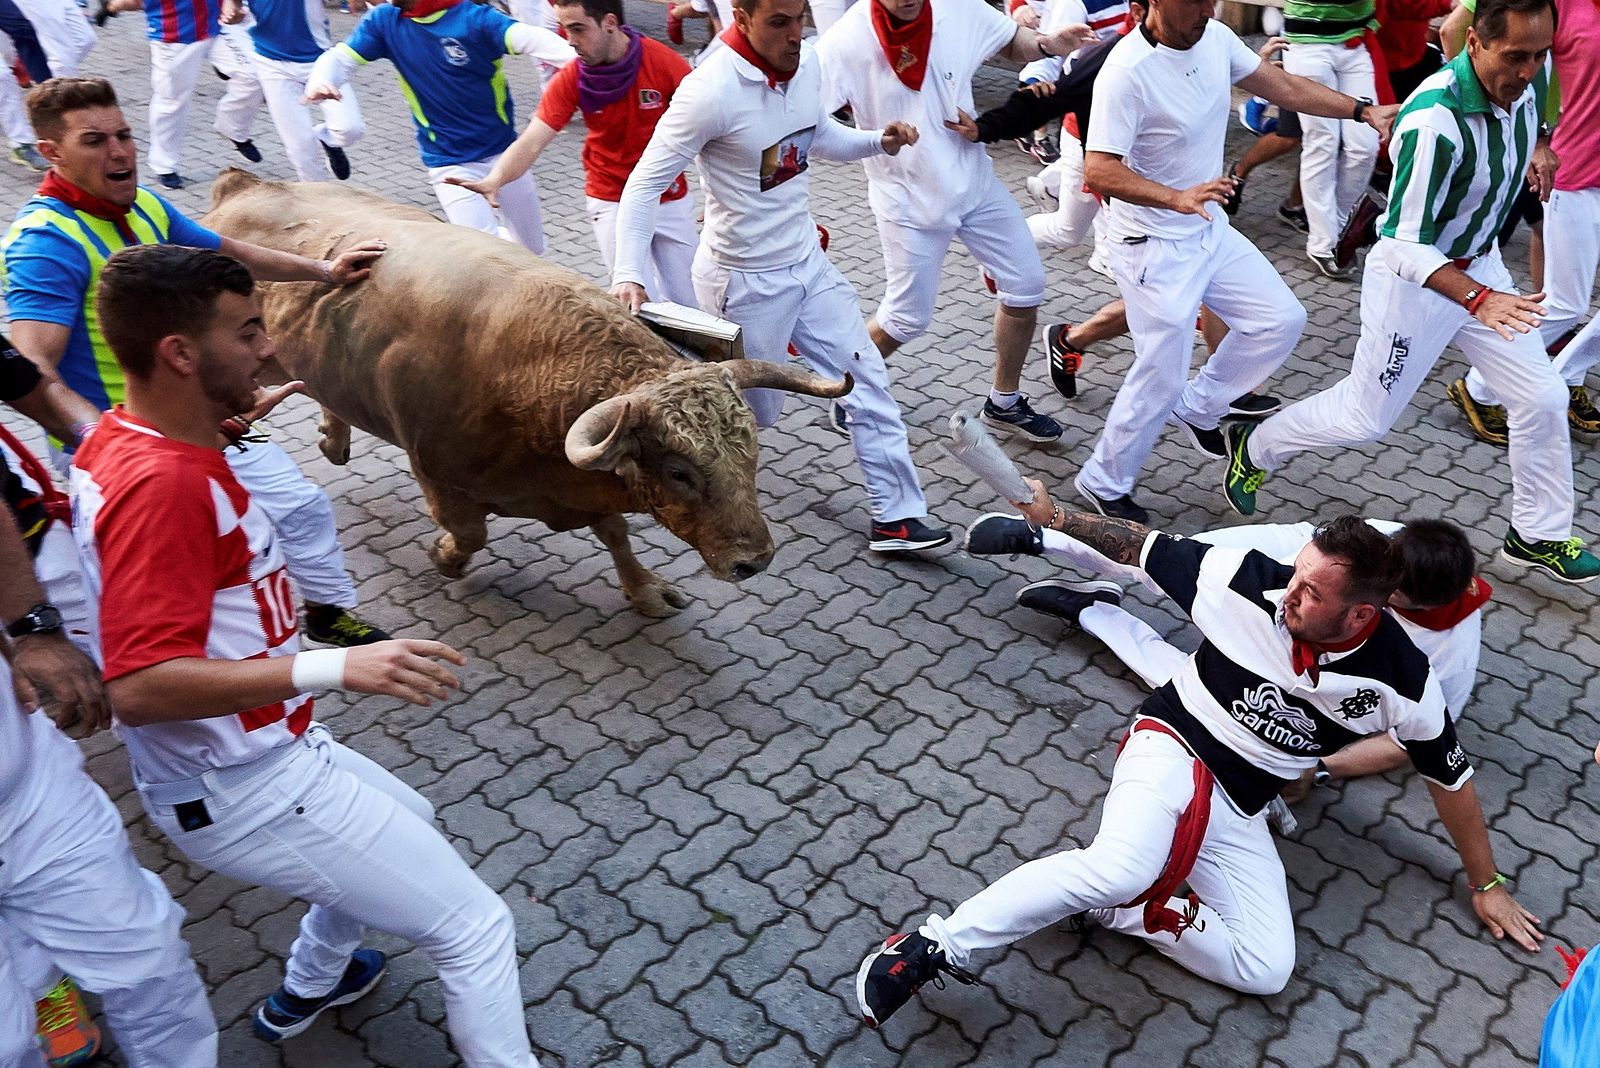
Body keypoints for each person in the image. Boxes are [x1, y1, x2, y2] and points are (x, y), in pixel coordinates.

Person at [72, 243, 546, 1066]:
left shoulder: (123, 437)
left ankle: (314, 980)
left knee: (415, 823)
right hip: (246, 783)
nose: (269, 347)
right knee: (474, 928)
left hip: (260, 756)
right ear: (179, 355)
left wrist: (216, 430)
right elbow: (138, 687)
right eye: (248, 331)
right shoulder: (167, 488)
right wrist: (335, 663)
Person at [855, 500, 1539, 1029]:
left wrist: (1487, 883)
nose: (1288, 595)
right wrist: (1054, 518)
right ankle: (933, 946)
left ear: (1363, 612)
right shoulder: (1244, 582)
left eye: (1309, 592)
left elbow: (1452, 779)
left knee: (1267, 967)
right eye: (1294, 575)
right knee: (1121, 863)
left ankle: (1118, 910)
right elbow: (1136, 545)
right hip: (1172, 744)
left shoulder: (1406, 681)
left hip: (1241, 806)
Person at [2, 76, 396, 645]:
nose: (119, 152)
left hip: (204, 420)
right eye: (95, 141)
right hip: (123, 452)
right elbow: (32, 366)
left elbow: (226, 252)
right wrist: (103, 441)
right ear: (51, 153)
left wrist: (323, 271)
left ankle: (327, 615)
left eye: (125, 135)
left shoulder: (142, 206)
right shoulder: (45, 244)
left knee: (300, 508)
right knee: (194, 581)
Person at [1223, 0, 1600, 586]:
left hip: (1483, 271)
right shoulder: (1433, 124)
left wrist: (1542, 143)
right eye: (1516, 57)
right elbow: (1398, 245)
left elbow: (1531, 110)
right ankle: (1257, 446)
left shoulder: (1525, 80)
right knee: (1365, 418)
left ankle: (1538, 534)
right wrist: (1478, 299)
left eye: (1540, 55)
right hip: (1417, 287)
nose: (1529, 71)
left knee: (1543, 397)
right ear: (1473, 42)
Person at [609, 0, 951, 554]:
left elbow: (813, 136)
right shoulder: (709, 92)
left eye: (801, 19)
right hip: (743, 282)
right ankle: (673, 403)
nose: (796, 35)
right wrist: (629, 273)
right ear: (740, 19)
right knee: (759, 416)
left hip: (807, 265)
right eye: (779, 23)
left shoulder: (807, 63)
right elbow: (643, 184)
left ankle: (897, 520)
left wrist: (874, 141)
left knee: (866, 379)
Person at [1070, 0, 1396, 524]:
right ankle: (1102, 481)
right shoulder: (1127, 71)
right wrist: (1175, 198)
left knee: (1280, 319)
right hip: (1152, 246)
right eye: (1192, 0)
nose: (1207, 8)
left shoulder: (1216, 38)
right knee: (1161, 371)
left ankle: (1197, 407)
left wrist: (1361, 110)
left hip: (1207, 228)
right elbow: (1101, 169)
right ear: (1147, 6)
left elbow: (1284, 88)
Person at [966, 512, 1486, 787]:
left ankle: (1092, 612)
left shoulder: (1452, 654)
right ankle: (1046, 538)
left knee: (1179, 679)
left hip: (1302, 685)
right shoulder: (1389, 542)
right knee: (1166, 561)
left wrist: (1321, 767)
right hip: (1293, 566)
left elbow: (1411, 743)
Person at [1, 468, 218, 1068]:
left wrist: (29, 627)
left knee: (150, 965)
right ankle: (45, 989)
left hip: (26, 791)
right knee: (8, 1043)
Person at [813, 0, 1096, 444]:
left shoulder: (956, 7)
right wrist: (874, 140)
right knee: (906, 319)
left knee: (1026, 286)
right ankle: (847, 389)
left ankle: (1004, 402)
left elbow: (1008, 42)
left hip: (975, 183)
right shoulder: (845, 41)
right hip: (908, 202)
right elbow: (811, 130)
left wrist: (1046, 45)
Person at [444, 0, 698, 304]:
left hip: (667, 196)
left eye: (578, 29)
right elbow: (533, 140)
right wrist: (495, 179)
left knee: (692, 303)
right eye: (565, 29)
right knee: (638, 305)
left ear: (610, 23)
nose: (570, 41)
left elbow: (710, 129)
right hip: (611, 198)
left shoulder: (664, 63)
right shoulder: (572, 78)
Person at [304, 0, 574, 252]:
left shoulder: (474, 18)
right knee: (485, 253)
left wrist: (589, 62)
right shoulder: (385, 21)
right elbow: (339, 58)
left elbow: (532, 38)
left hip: (506, 156)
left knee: (532, 249)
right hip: (449, 163)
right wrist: (322, 79)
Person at [1447, 0, 1600, 441]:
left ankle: (1565, 377)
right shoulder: (1559, 6)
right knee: (1565, 304)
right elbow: (1459, 33)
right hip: (1574, 173)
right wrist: (1530, 135)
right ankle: (1480, 388)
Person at [1279, 0, 1387, 276]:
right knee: (1322, 142)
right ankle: (1324, 244)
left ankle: (1338, 230)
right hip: (1307, 43)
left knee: (1365, 146)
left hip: (1354, 40)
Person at [222, 0, 365, 182]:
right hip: (271, 63)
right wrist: (230, 7)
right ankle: (318, 201)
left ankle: (328, 139)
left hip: (320, 60)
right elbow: (232, 6)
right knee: (300, 147)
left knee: (350, 128)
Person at [139, 0, 265, 188]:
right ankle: (164, 165)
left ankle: (233, 128)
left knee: (254, 75)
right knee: (172, 102)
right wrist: (112, 6)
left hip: (217, 23)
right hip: (174, 34)